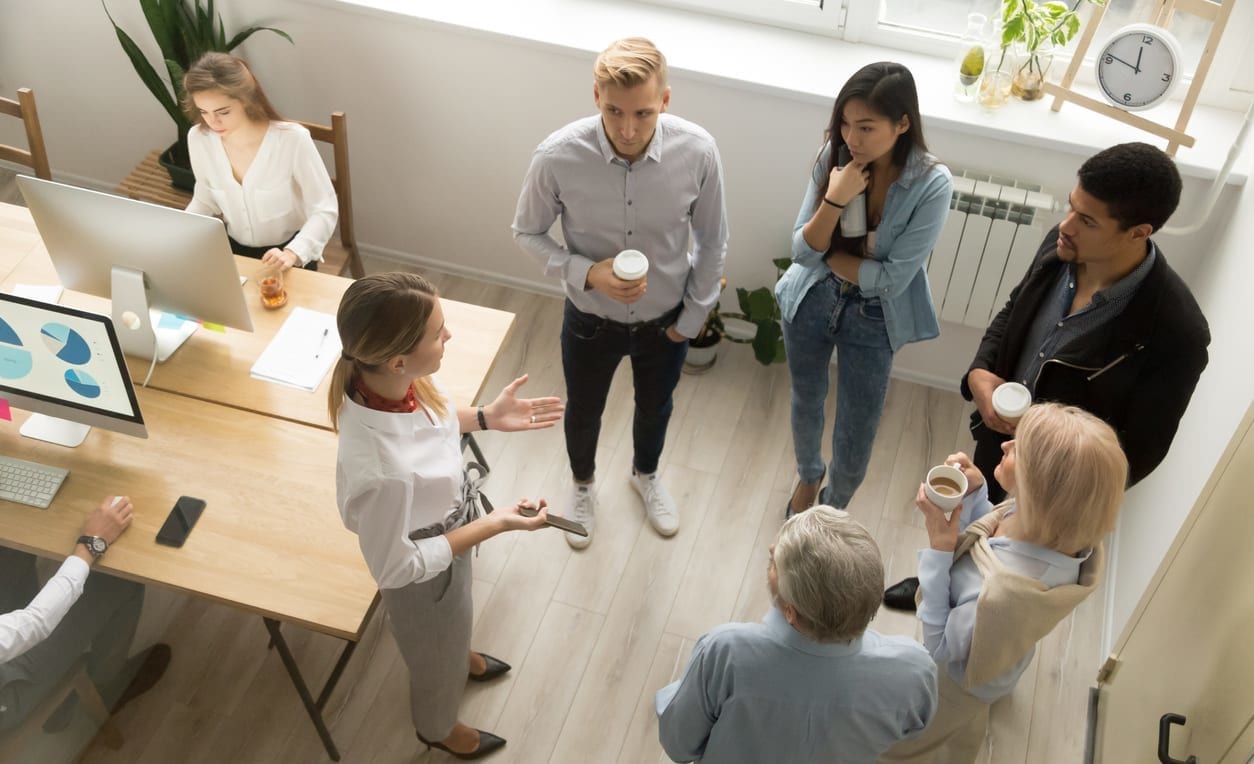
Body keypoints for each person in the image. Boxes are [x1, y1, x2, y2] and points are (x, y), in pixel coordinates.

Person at [884, 142, 1209, 611]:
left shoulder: (1176, 333)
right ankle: (936, 586)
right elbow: (1014, 310)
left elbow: (1140, 451)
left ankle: (973, 615)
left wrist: (1048, 470)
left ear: (1139, 232)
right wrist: (980, 372)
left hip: (1051, 491)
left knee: (1003, 594)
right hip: (999, 440)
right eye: (1070, 207)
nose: (1067, 225)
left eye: (1088, 220)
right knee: (973, 524)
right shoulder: (1061, 247)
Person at [329, 271, 565, 760]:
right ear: (397, 359)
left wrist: (485, 417)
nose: (448, 336)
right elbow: (396, 569)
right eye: (438, 332)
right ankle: (436, 726)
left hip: (447, 532)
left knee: (456, 619)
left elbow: (429, 423)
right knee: (434, 658)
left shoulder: (388, 383)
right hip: (421, 573)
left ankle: (458, 653)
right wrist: (494, 522)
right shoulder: (383, 473)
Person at [512, 37, 728, 549]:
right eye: (613, 111)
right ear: (595, 96)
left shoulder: (698, 151)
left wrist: (692, 319)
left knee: (657, 407)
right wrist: (587, 272)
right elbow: (526, 232)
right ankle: (582, 485)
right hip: (590, 320)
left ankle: (645, 474)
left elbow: (714, 240)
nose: (628, 129)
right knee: (584, 409)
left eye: (644, 113)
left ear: (666, 101)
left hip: (667, 321)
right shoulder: (557, 156)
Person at [881, 403, 1125, 763]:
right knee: (970, 719)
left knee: (926, 728)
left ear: (1038, 490)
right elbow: (991, 540)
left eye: (1018, 450)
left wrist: (940, 550)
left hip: (957, 682)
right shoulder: (1060, 536)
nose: (1006, 446)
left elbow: (940, 647)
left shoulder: (1000, 595)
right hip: (999, 656)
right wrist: (979, 496)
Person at [778, 62, 952, 517]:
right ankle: (810, 474)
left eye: (867, 127)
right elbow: (801, 250)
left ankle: (831, 509)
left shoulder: (932, 184)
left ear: (902, 124)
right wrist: (836, 197)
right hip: (812, 297)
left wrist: (833, 257)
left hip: (875, 317)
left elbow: (894, 280)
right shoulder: (832, 159)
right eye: (846, 123)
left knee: (858, 429)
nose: (852, 139)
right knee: (806, 398)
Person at [654, 506, 936, 763]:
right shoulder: (914, 671)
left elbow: (679, 744)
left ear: (791, 611)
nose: (771, 548)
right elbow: (911, 733)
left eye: (776, 561)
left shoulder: (726, 652)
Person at [1, 495, 170, 733]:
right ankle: (106, 688)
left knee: (8, 549)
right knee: (116, 581)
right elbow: (33, 624)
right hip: (6, 688)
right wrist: (91, 544)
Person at [183, 52, 338, 271]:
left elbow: (324, 208)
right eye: (203, 112)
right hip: (232, 254)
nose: (213, 121)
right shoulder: (199, 138)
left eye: (223, 112)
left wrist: (293, 253)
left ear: (246, 100)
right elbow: (205, 200)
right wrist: (179, 231)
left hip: (288, 255)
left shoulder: (291, 140)